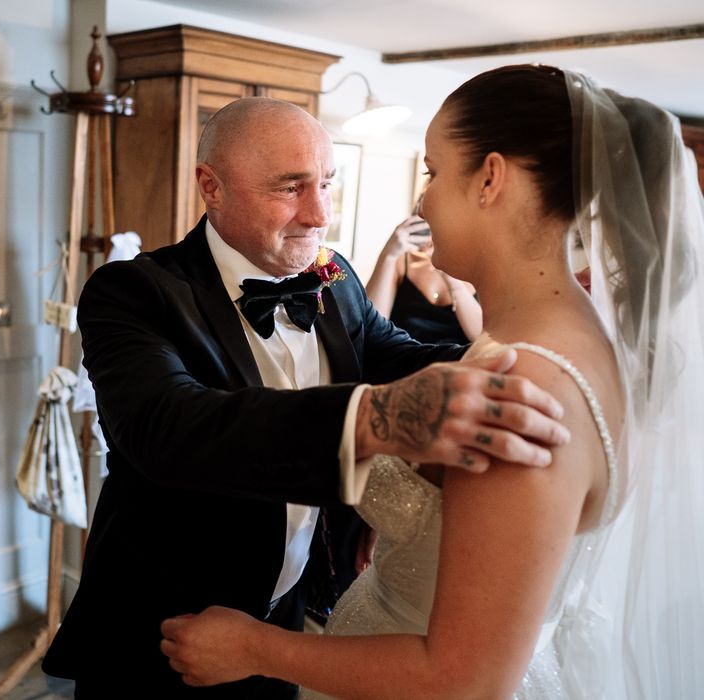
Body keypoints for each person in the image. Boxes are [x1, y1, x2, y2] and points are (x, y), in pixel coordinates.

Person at [159, 66, 704, 698]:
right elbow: (169, 423)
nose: (421, 201)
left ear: (491, 179)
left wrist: (257, 648)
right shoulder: (554, 348)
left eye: (433, 171)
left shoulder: (523, 387)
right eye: (291, 186)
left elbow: (465, 679)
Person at [40, 96, 571, 699]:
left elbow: (398, 355)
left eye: (326, 183)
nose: (319, 213)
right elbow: (168, 429)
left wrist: (535, 359)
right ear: (210, 186)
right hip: (161, 630)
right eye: (291, 188)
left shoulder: (334, 277)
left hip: (286, 617)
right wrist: (372, 419)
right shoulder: (133, 291)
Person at [366, 212, 482, 344]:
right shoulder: (401, 262)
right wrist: (387, 256)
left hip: (456, 361)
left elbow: (481, 338)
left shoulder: (479, 267)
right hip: (405, 358)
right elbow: (371, 327)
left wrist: (451, 279)